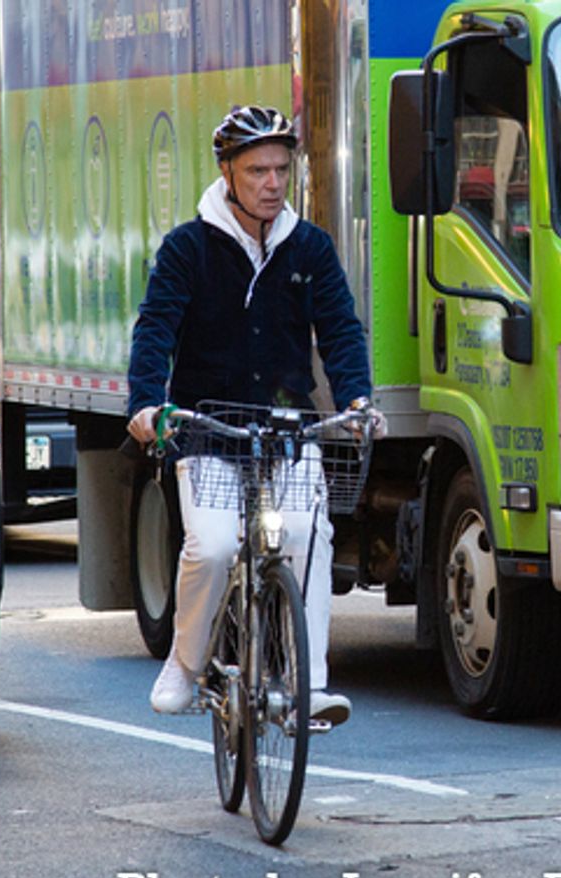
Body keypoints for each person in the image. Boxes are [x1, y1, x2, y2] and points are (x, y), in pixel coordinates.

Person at [125, 105, 385, 724]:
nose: (272, 184)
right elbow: (156, 328)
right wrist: (147, 403)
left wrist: (357, 400)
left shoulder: (310, 247)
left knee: (306, 536)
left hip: (288, 430)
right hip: (208, 429)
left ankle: (308, 686)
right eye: (257, 171)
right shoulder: (188, 248)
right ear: (227, 173)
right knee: (214, 547)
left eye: (281, 170)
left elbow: (341, 330)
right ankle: (185, 662)